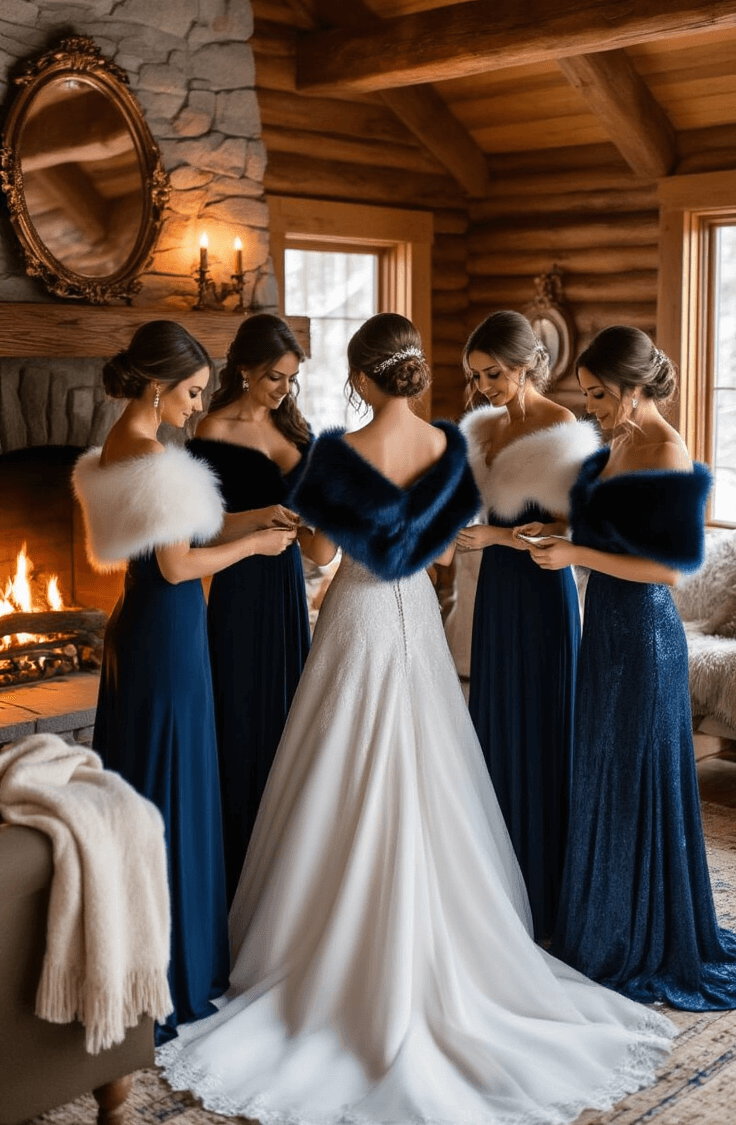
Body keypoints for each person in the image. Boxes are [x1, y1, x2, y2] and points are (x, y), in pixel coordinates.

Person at [157, 312, 675, 1125]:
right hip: (415, 627)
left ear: (363, 380)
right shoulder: (446, 446)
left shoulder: (333, 454)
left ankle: (312, 956)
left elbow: (324, 557)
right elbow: (439, 554)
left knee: (335, 769)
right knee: (433, 771)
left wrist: (301, 530)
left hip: (357, 619)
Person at [72, 320, 297, 1042]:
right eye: (194, 392)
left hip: (141, 630)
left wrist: (259, 516)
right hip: (169, 636)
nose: (199, 407)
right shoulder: (152, 455)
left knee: (146, 787)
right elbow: (176, 566)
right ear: (158, 384)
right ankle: (171, 975)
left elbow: (183, 535)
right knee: (172, 793)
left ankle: (137, 961)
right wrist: (258, 546)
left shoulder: (119, 444)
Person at [526, 325, 736, 1009]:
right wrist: (563, 538)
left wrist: (577, 557)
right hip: (607, 634)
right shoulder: (618, 440)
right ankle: (606, 925)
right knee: (603, 775)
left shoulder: (667, 452)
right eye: (585, 394)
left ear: (634, 385)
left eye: (596, 394)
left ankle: (643, 938)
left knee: (636, 781)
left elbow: (670, 567)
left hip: (645, 637)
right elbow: (612, 534)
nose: (588, 406)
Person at [455, 310, 599, 939]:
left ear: (525, 363)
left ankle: (548, 889)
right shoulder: (482, 429)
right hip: (497, 597)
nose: (485, 386)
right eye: (477, 376)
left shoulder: (560, 423)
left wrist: (498, 536)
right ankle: (499, 880)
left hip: (542, 591)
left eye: (494, 373)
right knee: (497, 721)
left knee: (543, 725)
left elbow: (572, 528)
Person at [189, 313, 331, 903]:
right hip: (236, 593)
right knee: (239, 724)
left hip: (285, 597)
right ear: (244, 369)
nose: (283, 389)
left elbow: (321, 550)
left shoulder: (301, 436)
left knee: (286, 728)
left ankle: (283, 880)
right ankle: (235, 878)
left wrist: (322, 516)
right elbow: (197, 530)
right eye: (274, 377)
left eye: (291, 379)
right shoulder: (209, 431)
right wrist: (260, 518)